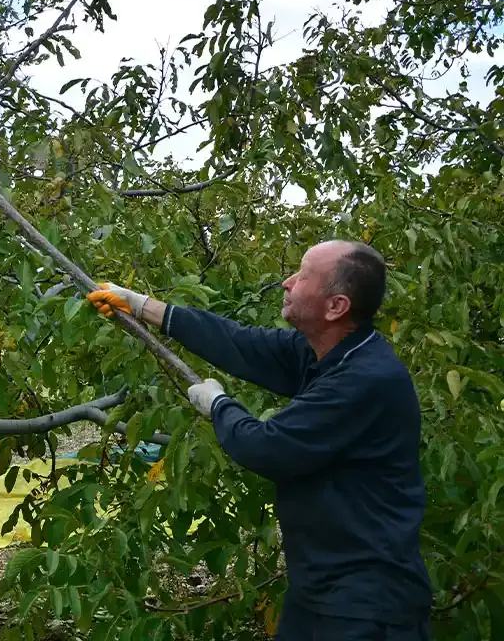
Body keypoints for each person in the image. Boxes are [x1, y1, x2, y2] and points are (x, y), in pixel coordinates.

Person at [87, 239, 431, 640]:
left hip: (368, 601)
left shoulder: (364, 378)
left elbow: (268, 447)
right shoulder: (324, 352)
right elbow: (238, 342)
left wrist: (219, 406)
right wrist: (140, 304)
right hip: (319, 588)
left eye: (303, 276)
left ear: (336, 306)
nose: (287, 282)